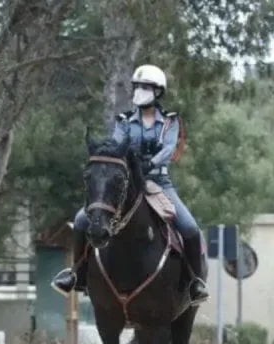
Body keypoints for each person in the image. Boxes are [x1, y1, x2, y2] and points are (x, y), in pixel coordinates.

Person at [51, 64, 209, 306]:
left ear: (157, 92)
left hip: (158, 181)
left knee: (189, 228)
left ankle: (194, 282)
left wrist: (148, 164)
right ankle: (76, 275)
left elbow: (168, 149)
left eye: (145, 87)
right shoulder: (124, 120)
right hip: (126, 183)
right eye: (137, 87)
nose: (140, 91)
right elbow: (117, 145)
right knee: (82, 220)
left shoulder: (170, 121)